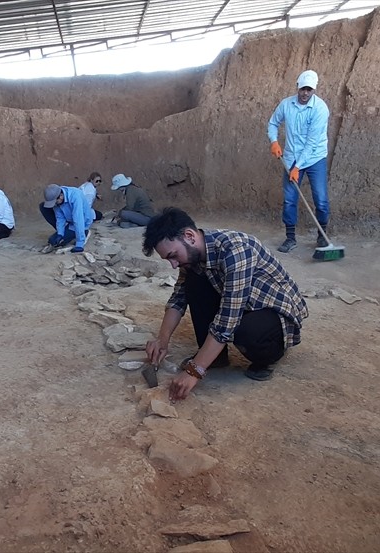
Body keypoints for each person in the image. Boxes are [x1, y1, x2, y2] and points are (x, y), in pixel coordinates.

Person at [142, 207, 309, 401]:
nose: (173, 264)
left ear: (189, 236)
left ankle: (268, 356)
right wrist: (162, 340)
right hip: (242, 305)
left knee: (246, 332)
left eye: (173, 256)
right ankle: (217, 357)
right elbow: (179, 298)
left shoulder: (235, 250)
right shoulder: (193, 256)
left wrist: (194, 371)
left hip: (274, 313)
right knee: (193, 283)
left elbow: (227, 321)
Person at [267, 69, 331, 253]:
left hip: (314, 158)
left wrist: (298, 167)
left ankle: (322, 235)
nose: (305, 93)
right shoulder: (286, 105)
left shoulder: (320, 109)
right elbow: (273, 123)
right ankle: (290, 238)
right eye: (302, 88)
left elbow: (311, 142)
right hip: (290, 157)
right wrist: (274, 141)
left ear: (314, 90)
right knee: (289, 199)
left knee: (321, 199)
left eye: (309, 90)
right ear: (297, 87)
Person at [41, 183, 95, 253]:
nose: (54, 204)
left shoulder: (75, 196)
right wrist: (60, 234)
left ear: (61, 196)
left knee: (59, 242)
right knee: (52, 241)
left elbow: (78, 219)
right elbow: (60, 218)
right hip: (71, 221)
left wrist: (79, 244)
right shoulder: (58, 198)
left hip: (82, 221)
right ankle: (68, 234)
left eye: (55, 202)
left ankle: (84, 233)